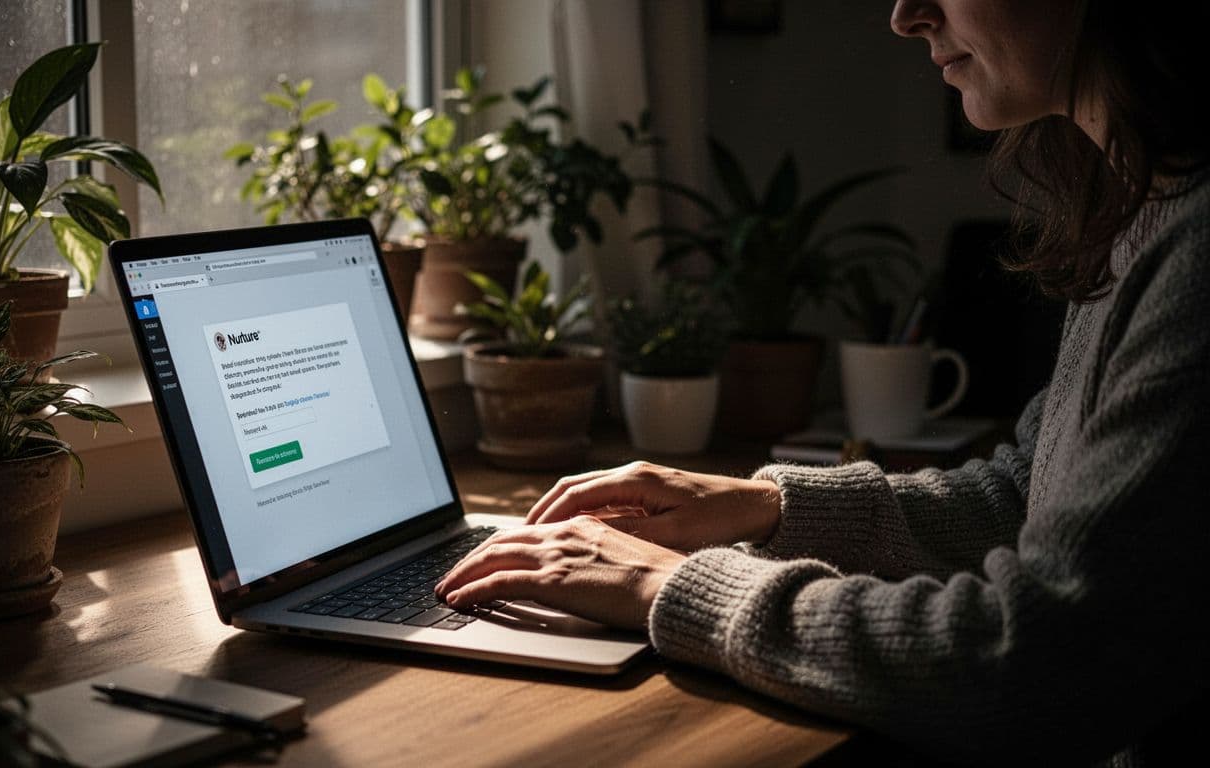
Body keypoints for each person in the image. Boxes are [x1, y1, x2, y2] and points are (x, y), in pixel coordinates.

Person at [434, 0, 1210, 764]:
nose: (906, 14)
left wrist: (672, 583)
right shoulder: (1141, 205)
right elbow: (1028, 497)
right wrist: (770, 505)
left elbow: (1035, 666)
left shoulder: (1194, 256)